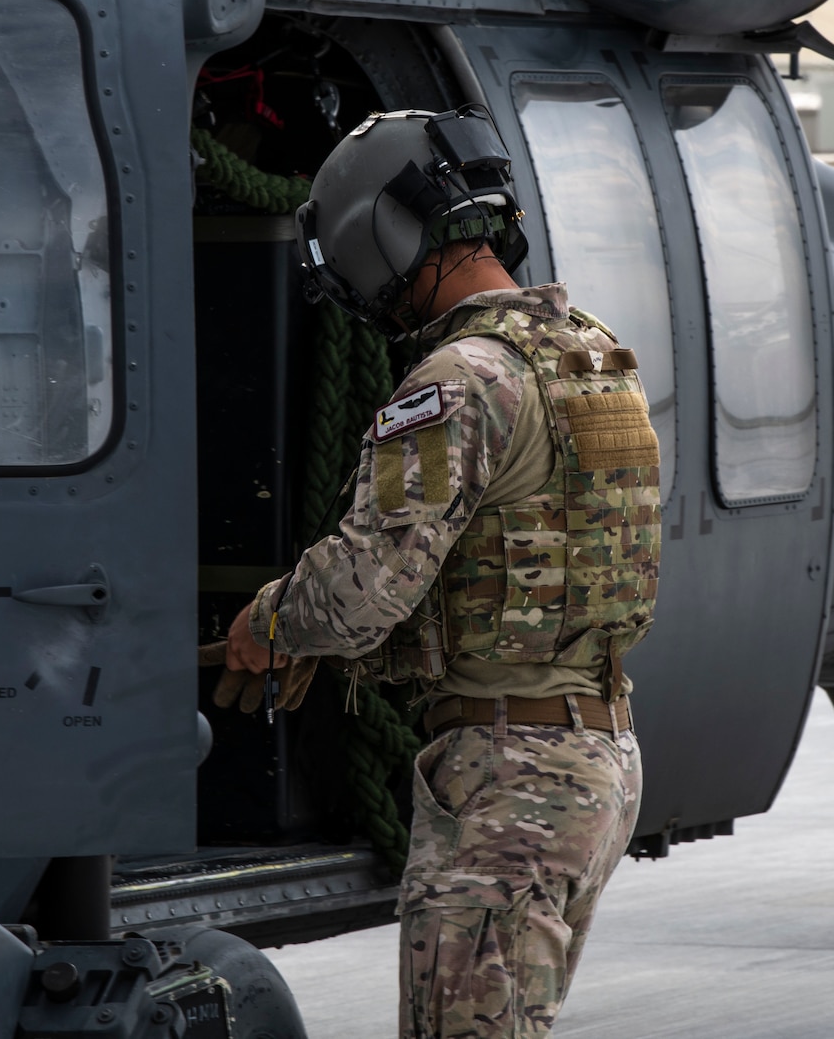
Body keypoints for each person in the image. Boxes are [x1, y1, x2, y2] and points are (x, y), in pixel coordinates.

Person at [223, 106, 663, 1038]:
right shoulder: (588, 353)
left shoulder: (460, 379)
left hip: (509, 778)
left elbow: (363, 590)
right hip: (595, 754)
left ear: (388, 239)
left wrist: (268, 622)